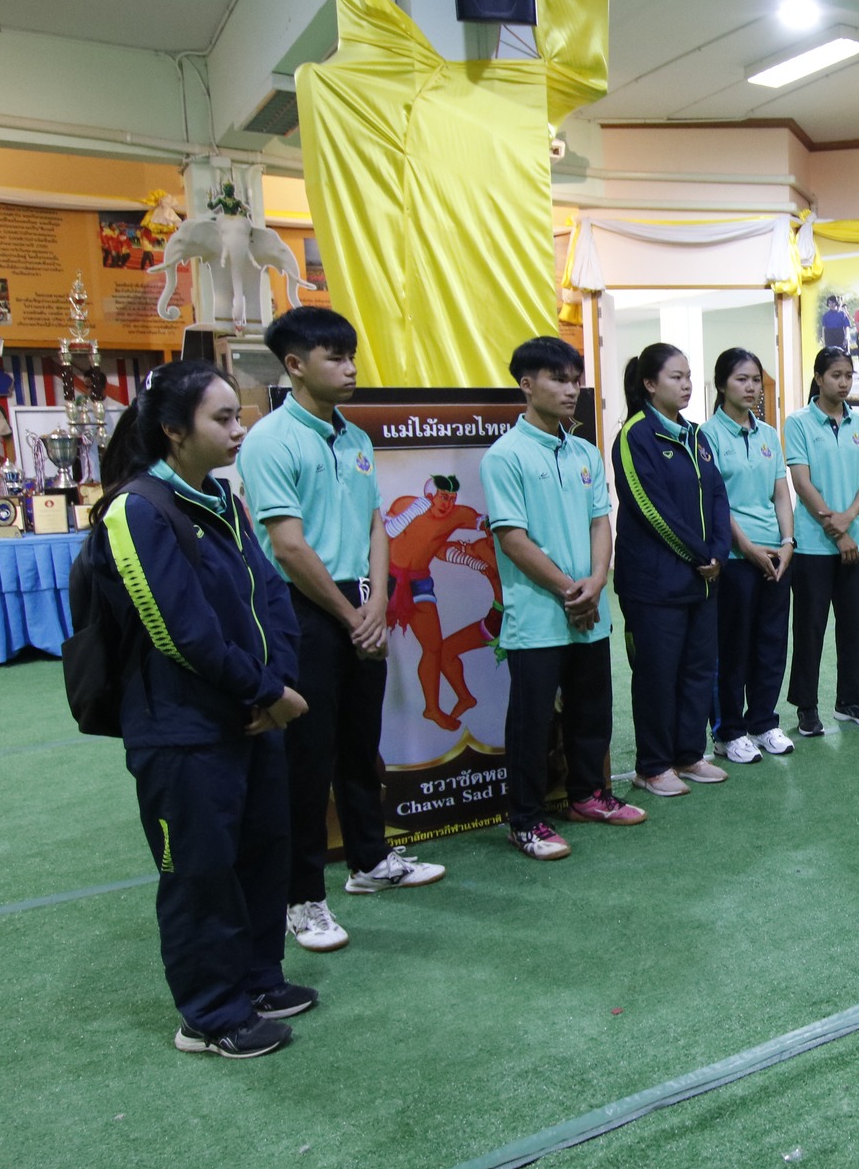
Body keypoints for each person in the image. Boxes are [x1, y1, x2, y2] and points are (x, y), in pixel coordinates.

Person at [85, 361, 312, 1058]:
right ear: (174, 430)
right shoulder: (136, 510)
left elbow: (270, 594)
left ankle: (258, 981)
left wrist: (277, 682)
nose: (239, 429)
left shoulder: (222, 498)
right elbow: (176, 628)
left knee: (263, 855)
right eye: (223, 418)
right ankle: (210, 1016)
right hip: (183, 732)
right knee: (199, 875)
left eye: (238, 415)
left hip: (251, 718)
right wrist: (265, 693)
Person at [238, 307, 441, 957]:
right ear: (295, 365)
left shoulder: (353, 437)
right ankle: (301, 897)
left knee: (360, 743)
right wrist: (354, 615)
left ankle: (370, 860)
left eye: (352, 355)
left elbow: (376, 523)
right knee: (306, 759)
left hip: (360, 602)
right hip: (300, 610)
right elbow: (288, 546)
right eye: (336, 357)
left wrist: (377, 600)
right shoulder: (271, 440)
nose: (351, 368)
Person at [482, 336, 646, 861]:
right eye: (559, 379)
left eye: (575, 379)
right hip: (537, 617)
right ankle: (525, 821)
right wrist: (568, 588)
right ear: (527, 385)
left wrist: (596, 582)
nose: (571, 389)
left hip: (590, 610)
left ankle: (587, 796)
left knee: (591, 711)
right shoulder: (505, 455)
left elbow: (601, 523)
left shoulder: (584, 453)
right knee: (531, 723)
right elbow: (512, 538)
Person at [612, 343, 733, 797]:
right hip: (654, 584)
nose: (686, 385)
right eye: (676, 377)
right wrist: (702, 555)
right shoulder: (635, 435)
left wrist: (719, 552)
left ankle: (688, 754)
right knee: (657, 675)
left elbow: (717, 496)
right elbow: (650, 507)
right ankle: (652, 765)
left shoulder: (696, 435)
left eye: (688, 377)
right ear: (649, 384)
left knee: (697, 671)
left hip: (702, 580)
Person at [704, 348, 797, 765]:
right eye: (741, 379)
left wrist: (788, 542)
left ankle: (763, 722)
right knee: (733, 647)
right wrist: (745, 547)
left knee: (771, 643)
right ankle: (728, 731)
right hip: (735, 558)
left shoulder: (768, 435)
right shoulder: (707, 435)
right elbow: (716, 501)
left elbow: (781, 493)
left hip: (775, 556)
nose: (751, 387)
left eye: (756, 380)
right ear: (722, 384)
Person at [785, 347, 859, 736]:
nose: (843, 383)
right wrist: (837, 529)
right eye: (836, 375)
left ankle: (851, 700)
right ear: (818, 377)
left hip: (856, 541)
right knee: (809, 627)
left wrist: (848, 523)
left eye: (848, 375)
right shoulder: (799, 423)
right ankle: (806, 707)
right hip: (814, 543)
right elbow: (801, 482)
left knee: (853, 625)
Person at [385, 474, 498, 733]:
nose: (448, 503)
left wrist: (474, 558)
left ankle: (432, 708)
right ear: (429, 496)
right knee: (374, 641)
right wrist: (413, 512)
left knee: (434, 647)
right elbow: (385, 532)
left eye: (452, 498)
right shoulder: (405, 504)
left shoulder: (459, 515)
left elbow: (490, 524)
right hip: (387, 576)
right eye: (443, 497)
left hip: (420, 582)